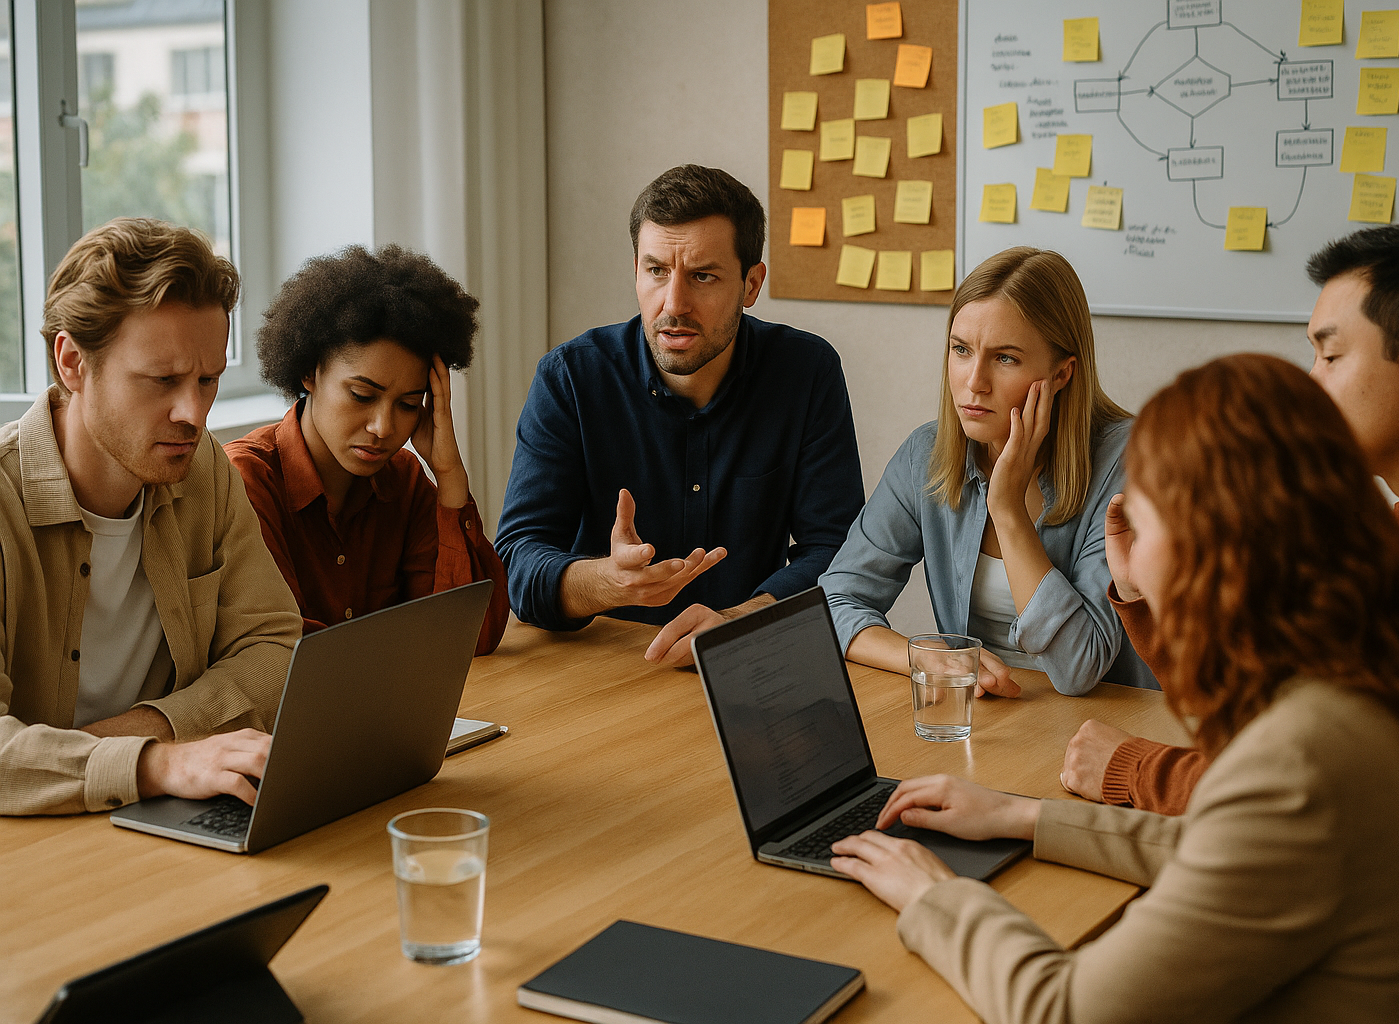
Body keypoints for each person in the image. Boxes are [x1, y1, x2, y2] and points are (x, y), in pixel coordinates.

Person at [830, 354, 1399, 1022]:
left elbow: (1062, 1010)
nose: (1126, 526)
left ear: (1213, 547)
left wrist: (933, 895)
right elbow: (1229, 848)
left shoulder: (1302, 762)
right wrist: (1026, 817)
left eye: (1147, 507)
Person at [1059, 225, 1399, 977]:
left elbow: (1329, 777)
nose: (1310, 383)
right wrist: (1143, 591)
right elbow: (1270, 723)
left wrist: (1130, 768)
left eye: (1331, 355)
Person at [496, 164, 863, 664]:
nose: (674, 304)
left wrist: (738, 622)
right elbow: (515, 560)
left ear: (751, 285)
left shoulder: (806, 372)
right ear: (635, 270)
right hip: (600, 672)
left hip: (746, 662)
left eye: (703, 276)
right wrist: (607, 582)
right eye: (656, 271)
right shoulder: (571, 378)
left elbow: (839, 550)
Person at [0, 217, 302, 816]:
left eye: (208, 379)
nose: (194, 414)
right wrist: (154, 762)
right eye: (162, 380)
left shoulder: (204, 470)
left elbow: (275, 648)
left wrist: (149, 730)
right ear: (72, 363)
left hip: (155, 816)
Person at [819, 247, 1154, 697]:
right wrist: (927, 657)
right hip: (983, 721)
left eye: (1005, 358)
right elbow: (836, 600)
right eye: (961, 350)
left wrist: (1007, 508)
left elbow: (1080, 667)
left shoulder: (1127, 460)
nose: (974, 381)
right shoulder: (928, 454)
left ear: (1062, 374)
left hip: (1103, 729)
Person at [225, 245, 510, 655]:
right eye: (361, 395)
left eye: (409, 404)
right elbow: (289, 653)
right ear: (310, 371)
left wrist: (449, 476)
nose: (383, 428)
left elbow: (470, 637)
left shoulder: (405, 480)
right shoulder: (247, 481)